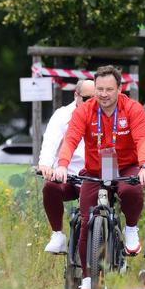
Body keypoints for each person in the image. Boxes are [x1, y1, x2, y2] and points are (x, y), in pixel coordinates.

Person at [53, 65, 145, 289]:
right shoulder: (85, 110)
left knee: (131, 192)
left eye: (109, 89)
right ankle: (87, 280)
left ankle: (130, 229)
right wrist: (62, 164)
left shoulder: (133, 109)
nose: (104, 94)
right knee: (87, 222)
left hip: (126, 166)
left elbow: (142, 139)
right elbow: (70, 140)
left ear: (120, 89)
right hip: (96, 170)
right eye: (99, 89)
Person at [39, 80, 95, 253]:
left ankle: (113, 247)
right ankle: (57, 234)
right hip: (69, 175)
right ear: (76, 96)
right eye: (87, 98)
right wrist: (46, 165)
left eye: (96, 98)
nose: (92, 103)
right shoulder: (62, 115)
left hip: (95, 177)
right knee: (50, 187)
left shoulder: (104, 113)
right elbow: (51, 141)